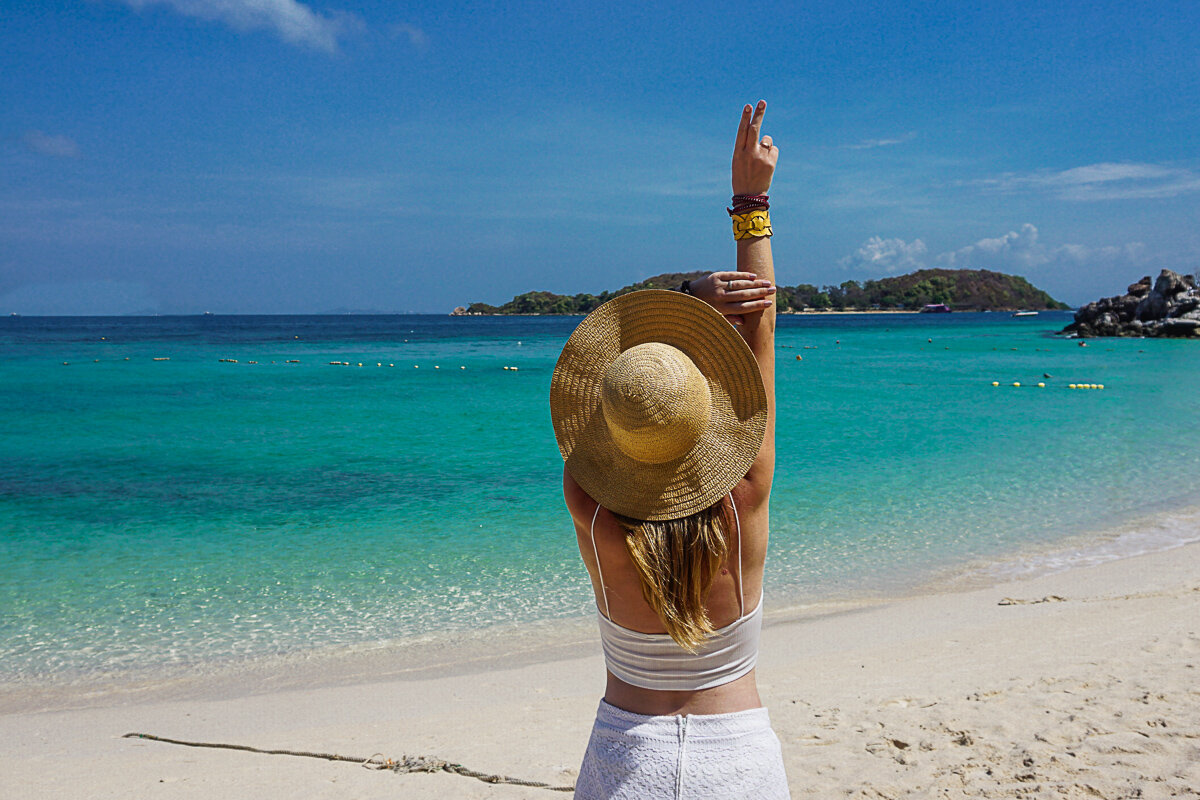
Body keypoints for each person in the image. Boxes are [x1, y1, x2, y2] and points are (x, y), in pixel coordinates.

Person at [549, 100, 787, 799]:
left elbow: (608, 376)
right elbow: (760, 318)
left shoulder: (587, 501)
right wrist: (751, 203)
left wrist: (680, 294)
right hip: (738, 762)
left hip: (630, 764)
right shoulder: (745, 493)